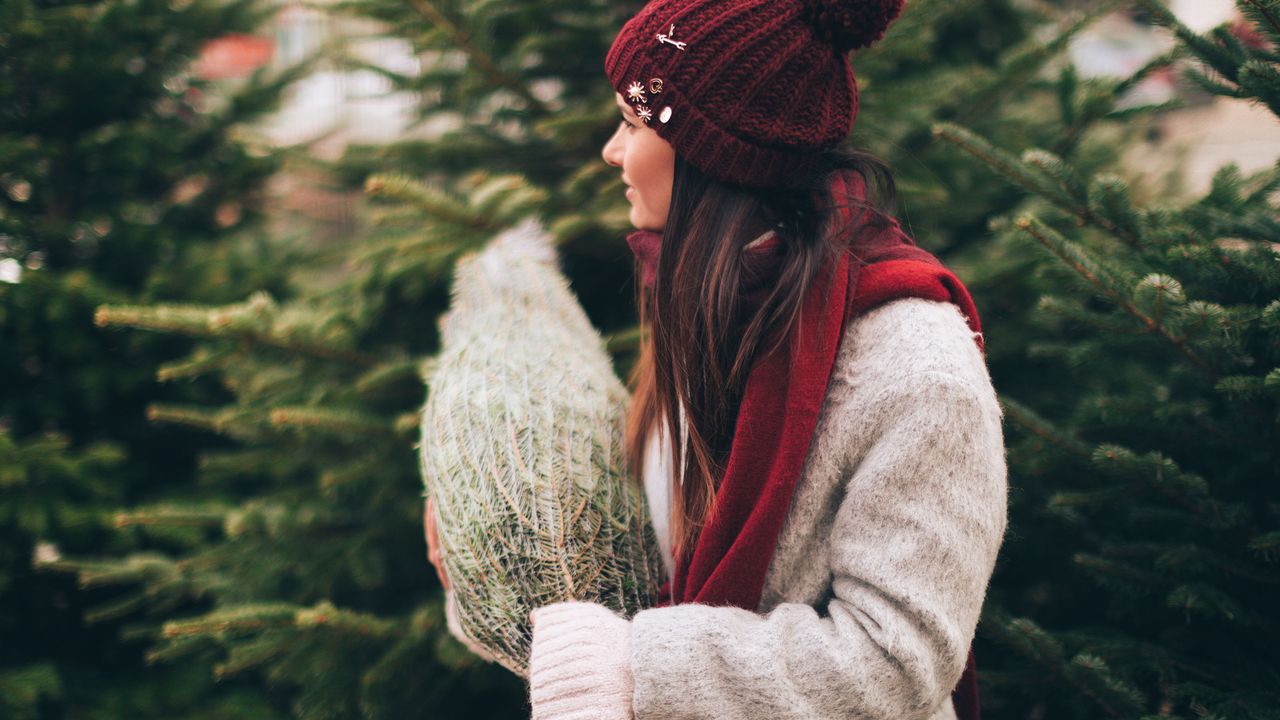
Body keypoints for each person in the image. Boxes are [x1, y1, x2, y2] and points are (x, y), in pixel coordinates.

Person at [426, 0, 1008, 718]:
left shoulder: (915, 369)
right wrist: (484, 558)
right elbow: (650, 556)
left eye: (633, 125)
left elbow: (894, 661)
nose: (612, 151)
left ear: (710, 154)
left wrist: (636, 667)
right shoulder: (718, 299)